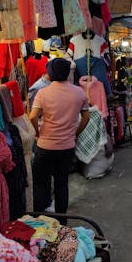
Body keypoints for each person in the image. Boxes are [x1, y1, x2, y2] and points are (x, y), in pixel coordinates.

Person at [30, 58, 90, 215]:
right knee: (61, 184)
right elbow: (86, 117)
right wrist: (75, 133)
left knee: (40, 183)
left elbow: (32, 117)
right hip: (67, 147)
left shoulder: (43, 93)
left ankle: (39, 217)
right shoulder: (79, 92)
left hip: (45, 146)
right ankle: (62, 220)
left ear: (50, 72)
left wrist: (37, 133)